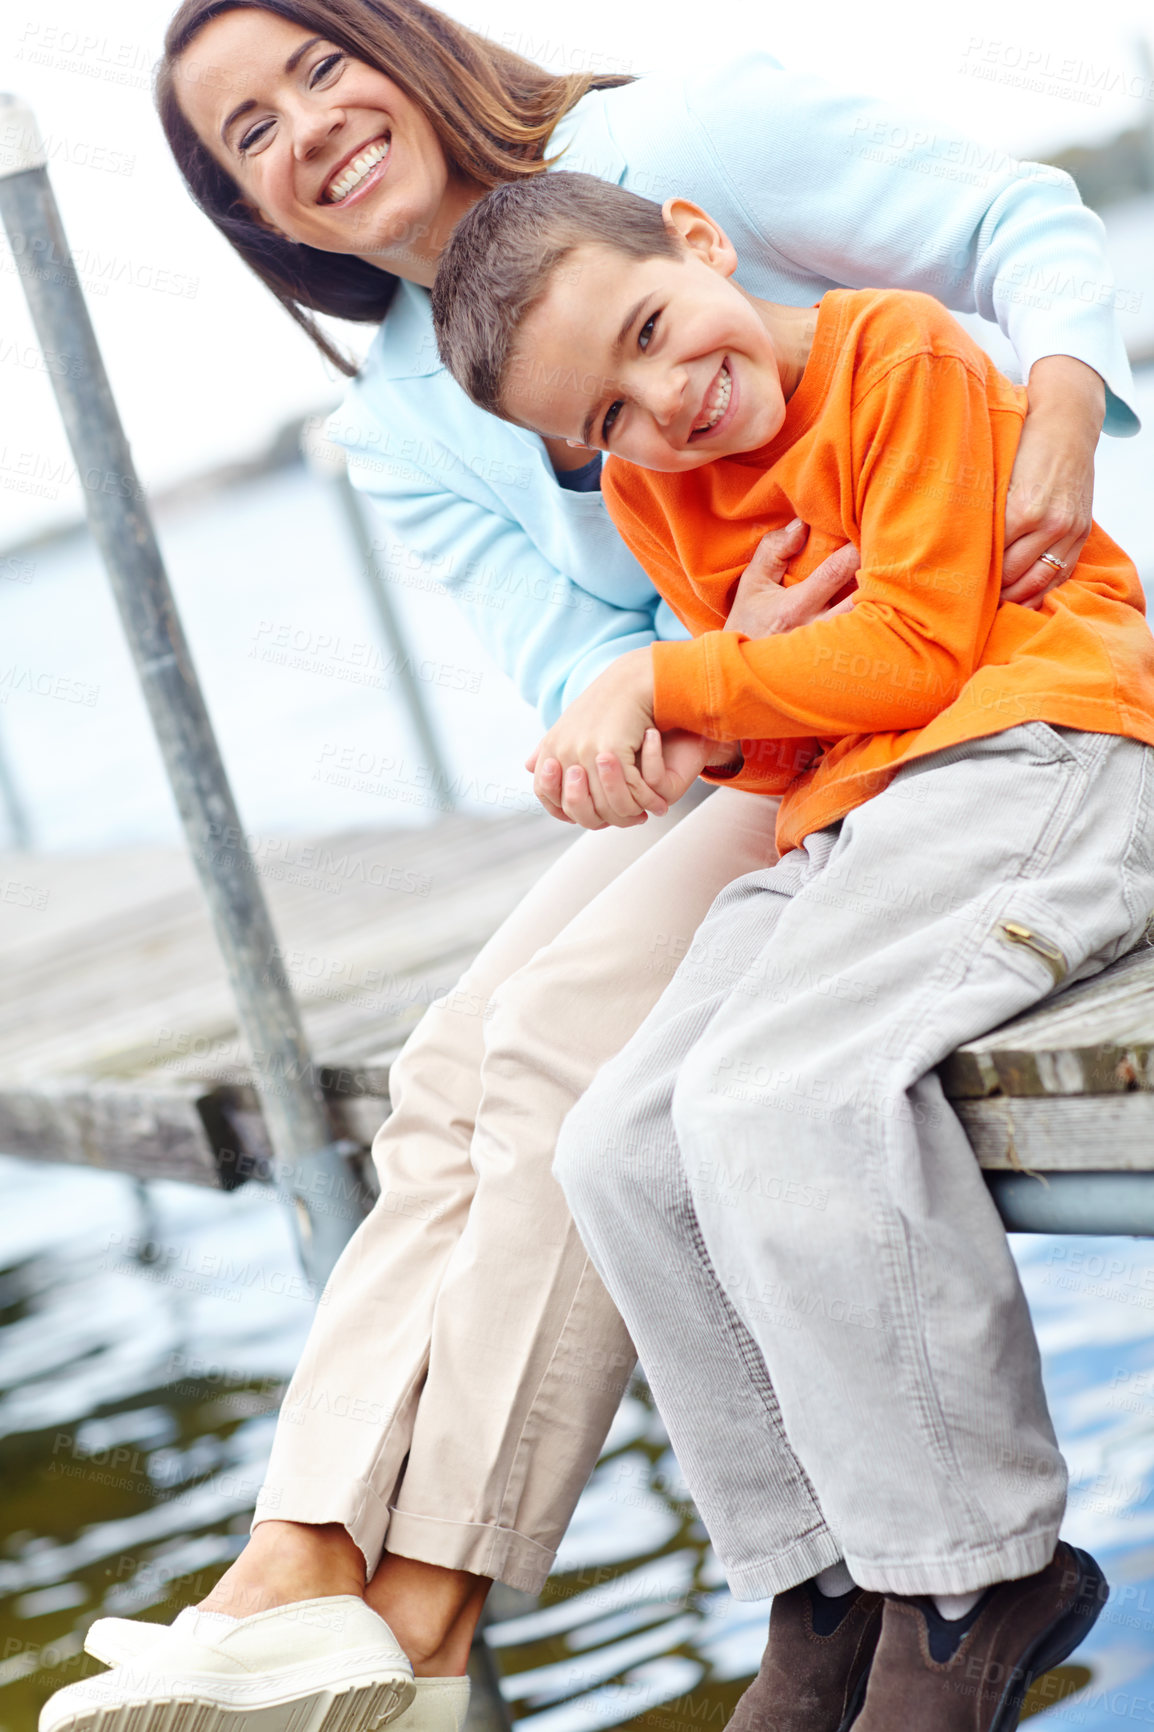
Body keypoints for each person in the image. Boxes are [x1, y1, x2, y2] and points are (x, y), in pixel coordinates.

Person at [36, 2, 1141, 1728]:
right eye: (248, 134)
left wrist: (1061, 415)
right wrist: (688, 664)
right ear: (255, 217)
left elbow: (1012, 229)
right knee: (450, 1068)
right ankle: (304, 1558)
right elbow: (573, 660)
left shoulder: (686, 150)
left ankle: (423, 1608)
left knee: (568, 1048)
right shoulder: (405, 414)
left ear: (400, 46)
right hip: (752, 727)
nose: (307, 127)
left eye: (321, 65)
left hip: (945, 687)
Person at [428, 168, 1154, 1729]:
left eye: (647, 330)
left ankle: (972, 1574)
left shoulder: (892, 352)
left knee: (779, 1094)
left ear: (696, 239)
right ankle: (819, 1575)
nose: (662, 406)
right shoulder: (652, 496)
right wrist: (693, 723)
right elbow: (781, 738)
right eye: (607, 414)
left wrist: (676, 681)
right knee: (618, 1139)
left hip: (1031, 752)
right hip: (850, 817)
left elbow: (913, 646)